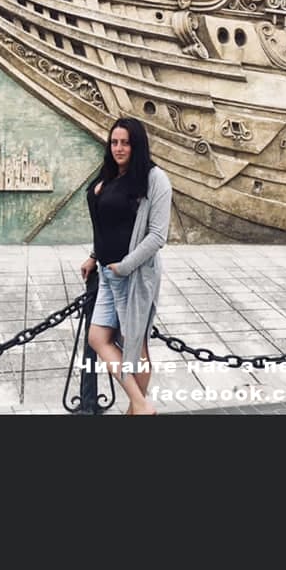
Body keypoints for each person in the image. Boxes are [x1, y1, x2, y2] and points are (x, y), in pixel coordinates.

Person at [81, 117, 172, 415]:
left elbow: (157, 235)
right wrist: (94, 255)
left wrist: (124, 267)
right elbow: (106, 223)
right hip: (108, 273)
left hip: (132, 275)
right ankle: (141, 406)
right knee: (98, 338)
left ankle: (137, 411)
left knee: (136, 346)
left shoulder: (153, 178)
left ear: (138, 145)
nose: (118, 148)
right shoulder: (110, 174)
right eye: (114, 142)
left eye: (126, 143)